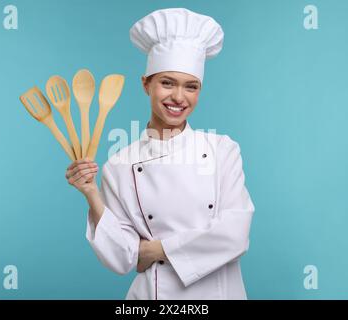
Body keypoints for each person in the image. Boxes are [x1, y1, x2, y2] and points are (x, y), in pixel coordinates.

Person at [65, 8, 255, 300]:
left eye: (191, 87)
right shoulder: (119, 164)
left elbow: (234, 234)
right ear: (146, 84)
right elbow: (122, 258)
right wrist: (91, 193)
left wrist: (155, 249)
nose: (179, 97)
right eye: (167, 82)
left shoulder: (222, 150)